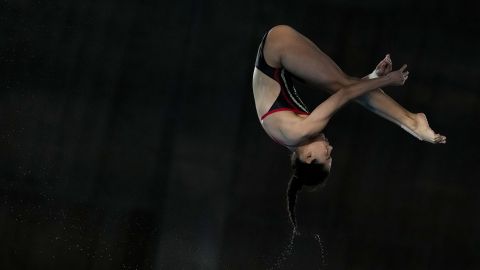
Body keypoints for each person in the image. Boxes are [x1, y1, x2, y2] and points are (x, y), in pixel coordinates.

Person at [252, 25, 446, 229]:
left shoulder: (300, 132)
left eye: (327, 156)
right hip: (277, 61)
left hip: (276, 47)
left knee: (341, 84)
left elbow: (345, 93)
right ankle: (412, 122)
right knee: (340, 84)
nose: (331, 149)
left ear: (308, 158)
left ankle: (413, 122)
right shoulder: (297, 138)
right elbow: (346, 96)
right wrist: (373, 78)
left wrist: (388, 79)